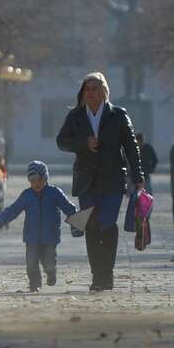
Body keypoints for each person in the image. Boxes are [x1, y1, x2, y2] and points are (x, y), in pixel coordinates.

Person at [55, 71, 142, 291]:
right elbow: (62, 142)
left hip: (113, 179)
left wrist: (138, 176)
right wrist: (84, 143)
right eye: (88, 89)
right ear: (83, 93)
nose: (91, 92)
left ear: (104, 91)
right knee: (92, 226)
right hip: (87, 181)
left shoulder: (118, 115)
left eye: (95, 88)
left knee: (108, 223)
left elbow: (132, 147)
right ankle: (97, 276)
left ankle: (108, 273)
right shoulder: (75, 116)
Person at [0, 161, 77, 292]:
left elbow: (69, 208)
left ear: (46, 178)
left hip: (50, 236)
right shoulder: (27, 195)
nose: (37, 183)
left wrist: (77, 223)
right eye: (33, 180)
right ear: (29, 180)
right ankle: (34, 284)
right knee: (31, 263)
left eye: (40, 179)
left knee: (49, 260)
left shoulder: (54, 193)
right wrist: (0, 220)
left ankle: (51, 273)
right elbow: (13, 210)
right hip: (31, 237)